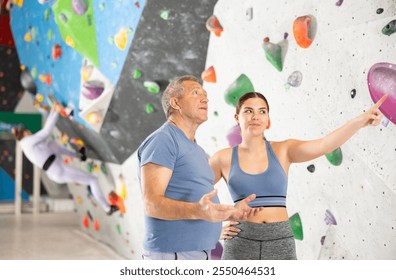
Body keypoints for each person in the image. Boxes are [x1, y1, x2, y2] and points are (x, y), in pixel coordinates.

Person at [210, 92, 387, 260]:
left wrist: (359, 121)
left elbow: (324, 144)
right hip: (240, 241)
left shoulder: (284, 150)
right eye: (248, 111)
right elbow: (189, 196)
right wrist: (212, 231)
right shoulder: (222, 158)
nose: (255, 116)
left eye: (262, 111)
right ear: (237, 117)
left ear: (267, 120)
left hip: (279, 239)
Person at [137, 75, 261, 260]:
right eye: (196, 93)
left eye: (205, 94)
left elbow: (198, 203)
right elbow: (152, 205)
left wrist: (230, 212)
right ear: (176, 103)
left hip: (195, 252)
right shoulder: (163, 140)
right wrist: (199, 211)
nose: (205, 98)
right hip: (173, 254)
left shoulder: (199, 151)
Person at [11, 105, 118, 215]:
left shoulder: (26, 145)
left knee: (51, 144)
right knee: (92, 180)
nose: (30, 132)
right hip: (58, 170)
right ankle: (107, 208)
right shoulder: (27, 141)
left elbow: (53, 147)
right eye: (28, 131)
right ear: (25, 133)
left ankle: (79, 155)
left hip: (54, 169)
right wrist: (56, 112)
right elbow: (46, 131)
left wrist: (54, 109)